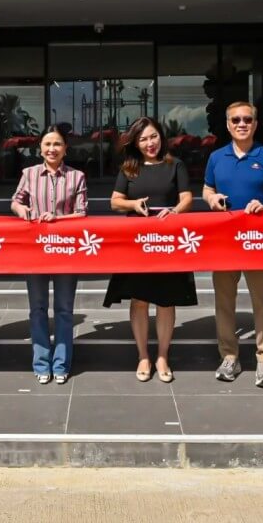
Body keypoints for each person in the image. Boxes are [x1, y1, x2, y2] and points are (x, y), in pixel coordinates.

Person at [103, 117, 196, 383]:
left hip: (168, 242)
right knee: (140, 299)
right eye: (143, 139)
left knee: (166, 301)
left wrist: (174, 211)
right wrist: (133, 205)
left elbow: (187, 198)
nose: (149, 143)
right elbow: (115, 201)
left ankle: (163, 356)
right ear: (136, 143)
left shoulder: (175, 164)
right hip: (137, 243)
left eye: (153, 137)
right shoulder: (129, 168)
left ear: (161, 137)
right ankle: (143, 355)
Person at [203, 101, 263, 388]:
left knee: (261, 300)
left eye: (247, 119)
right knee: (224, 301)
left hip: (256, 241)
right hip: (224, 241)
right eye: (236, 120)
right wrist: (212, 198)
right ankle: (229, 356)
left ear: (255, 124)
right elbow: (207, 188)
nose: (242, 124)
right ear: (228, 125)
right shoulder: (216, 157)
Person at [11, 125, 87, 384]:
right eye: (47, 144)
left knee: (64, 310)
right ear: (40, 148)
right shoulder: (29, 174)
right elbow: (16, 200)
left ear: (65, 149)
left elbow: (82, 213)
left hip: (65, 251)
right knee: (38, 308)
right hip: (36, 251)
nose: (52, 149)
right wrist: (21, 210)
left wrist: (58, 218)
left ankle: (62, 363)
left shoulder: (77, 176)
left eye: (57, 144)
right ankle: (41, 363)